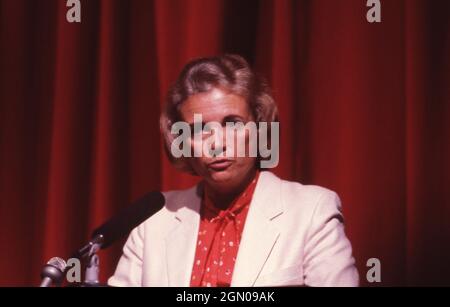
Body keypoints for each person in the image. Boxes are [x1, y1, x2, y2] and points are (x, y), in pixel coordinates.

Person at [108, 54, 359, 287]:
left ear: (260, 127)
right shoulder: (153, 222)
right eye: (198, 129)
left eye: (232, 124)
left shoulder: (311, 211)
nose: (217, 144)